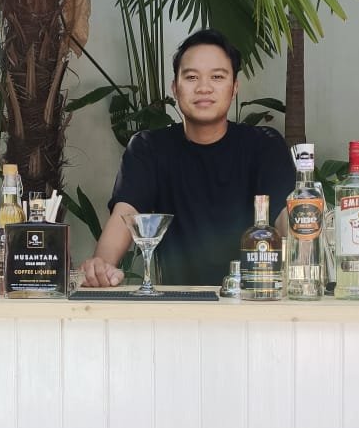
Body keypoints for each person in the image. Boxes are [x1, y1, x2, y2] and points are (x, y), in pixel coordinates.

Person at [79, 28, 297, 287]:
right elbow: (126, 216)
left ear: (234, 87)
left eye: (217, 77)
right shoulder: (149, 148)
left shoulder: (264, 145)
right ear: (175, 87)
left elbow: (288, 220)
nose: (204, 88)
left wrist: (305, 246)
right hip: (176, 306)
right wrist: (102, 265)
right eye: (192, 77)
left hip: (254, 303)